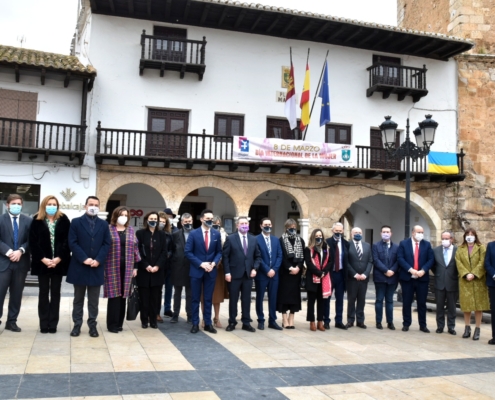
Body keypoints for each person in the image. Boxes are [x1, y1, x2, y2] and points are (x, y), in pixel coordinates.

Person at [67, 196, 111, 338]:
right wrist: (84, 258)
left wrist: (98, 259)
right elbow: (72, 242)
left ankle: (92, 325)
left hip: (96, 267)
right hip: (80, 266)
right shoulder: (76, 222)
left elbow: (106, 243)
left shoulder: (104, 224)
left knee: (93, 301)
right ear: (85, 206)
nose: (93, 207)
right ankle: (77, 325)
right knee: (78, 299)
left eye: (96, 205)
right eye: (91, 204)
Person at [29, 195, 71, 334]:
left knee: (55, 294)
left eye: (54, 204)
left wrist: (59, 258)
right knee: (43, 293)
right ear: (44, 205)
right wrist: (43, 258)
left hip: (59, 263)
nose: (52, 206)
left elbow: (67, 241)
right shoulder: (36, 220)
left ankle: (53, 324)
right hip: (42, 264)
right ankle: (43, 324)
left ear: (57, 206)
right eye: (49, 204)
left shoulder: (64, 219)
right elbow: (33, 242)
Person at [184, 209, 222, 334]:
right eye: (207, 219)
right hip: (196, 271)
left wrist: (214, 263)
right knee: (195, 298)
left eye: (211, 218)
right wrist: (201, 264)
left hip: (211, 271)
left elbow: (219, 252)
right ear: (201, 219)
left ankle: (208, 323)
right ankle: (195, 323)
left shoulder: (216, 234)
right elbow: (188, 252)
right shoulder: (193, 234)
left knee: (208, 299)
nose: (210, 221)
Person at [104, 206, 140, 333]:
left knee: (124, 296)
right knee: (114, 296)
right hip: (111, 267)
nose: (123, 217)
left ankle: (119, 323)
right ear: (115, 215)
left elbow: (136, 249)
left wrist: (135, 267)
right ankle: (112, 325)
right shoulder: (108, 229)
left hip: (128, 267)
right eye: (121, 214)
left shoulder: (130, 230)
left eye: (125, 215)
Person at [223, 216, 261, 332]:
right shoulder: (230, 238)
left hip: (248, 275)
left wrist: (255, 268)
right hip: (234, 274)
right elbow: (225, 257)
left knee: (246, 299)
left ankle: (246, 322)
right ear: (237, 225)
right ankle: (232, 322)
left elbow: (258, 256)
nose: (244, 225)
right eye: (242, 223)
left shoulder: (253, 239)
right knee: (233, 299)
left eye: (246, 223)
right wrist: (227, 272)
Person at [0, 194, 32, 332]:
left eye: (19, 203)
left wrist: (21, 250)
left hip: (21, 263)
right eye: (13, 203)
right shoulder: (1, 219)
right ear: (7, 205)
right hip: (3, 262)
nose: (16, 206)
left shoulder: (28, 221)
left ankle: (11, 321)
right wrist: (8, 252)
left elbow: (31, 240)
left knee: (17, 294)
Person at [397, 225, 434, 333]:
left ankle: (423, 325)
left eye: (422, 232)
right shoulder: (404, 244)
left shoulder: (426, 245)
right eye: (418, 232)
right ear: (413, 232)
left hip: (422, 279)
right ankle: (406, 323)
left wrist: (423, 270)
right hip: (408, 278)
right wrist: (410, 270)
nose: (420, 234)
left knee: (422, 303)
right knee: (407, 302)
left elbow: (431, 259)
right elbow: (400, 258)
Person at [135, 211, 168, 329]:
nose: (153, 220)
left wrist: (157, 266)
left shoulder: (162, 234)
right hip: (144, 271)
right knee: (144, 297)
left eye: (155, 218)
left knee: (155, 297)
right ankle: (144, 320)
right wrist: (146, 265)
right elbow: (137, 251)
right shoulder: (140, 233)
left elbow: (164, 252)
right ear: (146, 220)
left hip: (157, 271)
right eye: (151, 218)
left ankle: (153, 320)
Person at [456, 228, 489, 341]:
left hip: (478, 281)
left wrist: (474, 273)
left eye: (472, 234)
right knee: (467, 306)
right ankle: (467, 328)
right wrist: (466, 274)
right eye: (468, 234)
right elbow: (458, 262)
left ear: (475, 236)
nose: (470, 236)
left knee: (478, 307)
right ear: (464, 236)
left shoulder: (481, 248)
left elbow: (482, 262)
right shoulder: (460, 249)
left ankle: (478, 329)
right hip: (465, 281)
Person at [255, 217, 283, 330]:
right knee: (260, 297)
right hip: (262, 274)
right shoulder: (256, 239)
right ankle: (260, 320)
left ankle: (272, 320)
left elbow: (279, 256)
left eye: (270, 224)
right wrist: (267, 270)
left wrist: (274, 270)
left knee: (273, 298)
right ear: (261, 226)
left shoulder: (276, 240)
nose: (268, 226)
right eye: (266, 224)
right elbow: (257, 257)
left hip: (274, 275)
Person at [277, 219, 305, 329]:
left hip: (296, 273)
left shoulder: (300, 240)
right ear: (286, 228)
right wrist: (289, 267)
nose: (293, 228)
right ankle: (284, 318)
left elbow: (302, 256)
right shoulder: (281, 240)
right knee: (284, 295)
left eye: (294, 226)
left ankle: (291, 317)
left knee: (294, 295)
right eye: (290, 227)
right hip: (285, 273)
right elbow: (281, 256)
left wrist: (298, 267)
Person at [372, 225, 399, 330]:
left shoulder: (396, 247)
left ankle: (390, 322)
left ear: (391, 233)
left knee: (390, 300)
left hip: (392, 277)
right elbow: (376, 259)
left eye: (388, 232)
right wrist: (385, 270)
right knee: (379, 299)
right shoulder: (375, 246)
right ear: (380, 233)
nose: (386, 233)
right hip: (380, 277)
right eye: (384, 231)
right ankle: (378, 322)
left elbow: (398, 260)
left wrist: (392, 270)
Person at [304, 229, 331, 331]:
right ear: (313, 237)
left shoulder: (326, 248)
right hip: (312, 278)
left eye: (320, 235)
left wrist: (324, 272)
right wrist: (319, 273)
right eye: (317, 236)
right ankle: (312, 322)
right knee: (311, 301)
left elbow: (330, 261)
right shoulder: (308, 249)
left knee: (321, 302)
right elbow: (309, 263)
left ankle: (320, 322)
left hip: (324, 278)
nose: (319, 237)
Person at [432, 230, 458, 335]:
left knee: (452, 306)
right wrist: (439, 274)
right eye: (443, 238)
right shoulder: (436, 250)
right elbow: (433, 265)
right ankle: (440, 326)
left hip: (452, 282)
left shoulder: (458, 250)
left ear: (452, 239)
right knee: (439, 306)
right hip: (439, 281)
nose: (444, 240)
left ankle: (451, 327)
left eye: (446, 239)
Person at [346, 227, 373, 329]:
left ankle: (360, 321)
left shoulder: (367, 245)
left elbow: (370, 260)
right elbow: (346, 261)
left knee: (361, 300)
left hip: (364, 278)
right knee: (351, 299)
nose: (358, 234)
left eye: (359, 232)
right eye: (355, 232)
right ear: (351, 234)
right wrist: (354, 274)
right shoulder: (348, 245)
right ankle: (350, 320)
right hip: (352, 278)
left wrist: (366, 274)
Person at [325, 222, 349, 330]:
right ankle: (326, 321)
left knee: (340, 299)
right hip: (330, 274)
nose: (338, 233)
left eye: (340, 231)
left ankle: (338, 321)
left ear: (343, 231)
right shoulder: (327, 242)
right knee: (327, 299)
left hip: (341, 274)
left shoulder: (346, 244)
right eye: (336, 231)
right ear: (332, 231)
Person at [170, 213, 194, 324]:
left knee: (190, 293)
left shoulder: (196, 234)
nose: (188, 224)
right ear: (182, 222)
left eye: (189, 221)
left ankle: (189, 315)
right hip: (178, 267)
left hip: (191, 268)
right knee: (177, 293)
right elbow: (171, 250)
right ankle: (175, 314)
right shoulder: (175, 234)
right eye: (186, 222)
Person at [209, 215, 229, 328]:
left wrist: (220, 261)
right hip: (206, 267)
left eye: (218, 223)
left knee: (217, 295)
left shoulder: (225, 236)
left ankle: (216, 318)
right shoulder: (205, 234)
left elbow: (225, 252)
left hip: (219, 269)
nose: (216, 225)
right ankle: (205, 318)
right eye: (214, 223)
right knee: (205, 296)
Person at [157, 211, 174, 322]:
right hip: (158, 266)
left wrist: (169, 254)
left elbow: (172, 248)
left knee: (169, 289)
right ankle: (156, 312)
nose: (162, 224)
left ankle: (167, 308)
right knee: (158, 290)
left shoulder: (169, 235)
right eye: (160, 221)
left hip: (168, 265)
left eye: (164, 222)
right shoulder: (153, 234)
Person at [484, 235, 495, 345]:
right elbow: (487, 263)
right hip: (493, 283)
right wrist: (494, 275)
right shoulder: (491, 246)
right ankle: (494, 337)